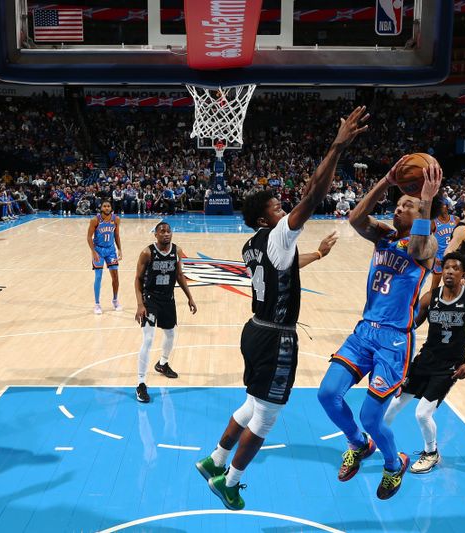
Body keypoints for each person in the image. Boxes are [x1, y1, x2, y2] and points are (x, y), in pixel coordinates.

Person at [195, 106, 370, 511]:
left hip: (254, 330)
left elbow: (282, 267)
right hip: (275, 338)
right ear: (265, 218)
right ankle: (231, 482)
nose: (284, 210)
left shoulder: (253, 245)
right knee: (268, 415)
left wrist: (318, 255)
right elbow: (312, 194)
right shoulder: (277, 235)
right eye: (277, 207)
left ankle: (215, 460)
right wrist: (337, 147)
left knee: (251, 404)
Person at [317, 157, 442, 501]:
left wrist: (427, 201)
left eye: (407, 206)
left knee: (371, 417)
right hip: (363, 333)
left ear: (421, 215)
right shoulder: (383, 236)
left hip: (393, 341)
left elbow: (418, 247)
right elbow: (355, 218)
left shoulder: (427, 246)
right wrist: (386, 180)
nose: (399, 209)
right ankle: (359, 444)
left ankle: (393, 462)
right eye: (398, 204)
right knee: (327, 395)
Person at [383, 252, 465, 473]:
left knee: (422, 413)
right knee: (392, 405)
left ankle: (431, 453)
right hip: (424, 361)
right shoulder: (430, 297)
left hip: (449, 367)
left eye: (455, 268)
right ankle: (377, 440)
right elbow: (409, 327)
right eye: (446, 267)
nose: (450, 271)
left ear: (463, 274)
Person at [133, 221, 197, 403]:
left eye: (169, 231)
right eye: (162, 231)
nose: (166, 234)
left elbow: (179, 275)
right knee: (148, 338)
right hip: (150, 300)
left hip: (168, 299)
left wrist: (189, 297)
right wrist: (140, 304)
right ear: (156, 234)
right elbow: (137, 279)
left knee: (170, 334)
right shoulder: (147, 253)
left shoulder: (176, 251)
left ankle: (162, 363)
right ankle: (141, 383)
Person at [87, 200, 123, 314]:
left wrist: (120, 249)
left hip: (111, 250)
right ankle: (97, 304)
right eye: (104, 206)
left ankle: (115, 300)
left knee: (115, 276)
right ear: (101, 208)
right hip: (99, 250)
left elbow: (116, 235)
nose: (107, 208)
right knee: (98, 277)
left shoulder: (116, 219)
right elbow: (89, 237)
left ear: (111, 208)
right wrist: (93, 251)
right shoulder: (95, 220)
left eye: (108, 206)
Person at [430, 202, 458, 289]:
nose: (440, 207)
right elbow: (427, 240)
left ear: (447, 207)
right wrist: (433, 257)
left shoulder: (456, 219)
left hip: (452, 256)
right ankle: (430, 302)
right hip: (439, 257)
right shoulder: (434, 222)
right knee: (435, 286)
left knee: (453, 285)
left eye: (442, 205)